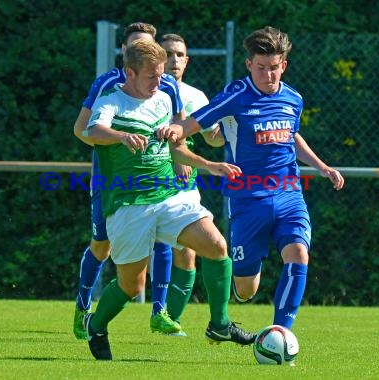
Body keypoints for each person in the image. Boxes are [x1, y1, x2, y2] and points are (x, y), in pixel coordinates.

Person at [157, 26, 345, 338]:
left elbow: (291, 136)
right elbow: (197, 121)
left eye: (274, 68)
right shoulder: (235, 95)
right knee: (246, 289)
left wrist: (322, 166)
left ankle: (280, 335)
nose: (268, 75)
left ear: (283, 65)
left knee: (299, 254)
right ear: (249, 65)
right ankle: (232, 298)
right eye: (261, 68)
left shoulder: (293, 98)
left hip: (288, 192)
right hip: (246, 198)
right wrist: (176, 132)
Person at [81, 39, 256, 360]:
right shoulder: (112, 100)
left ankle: (220, 324)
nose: (158, 82)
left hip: (170, 197)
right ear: (130, 73)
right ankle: (97, 324)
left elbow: (177, 147)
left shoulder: (163, 99)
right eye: (151, 76)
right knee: (131, 286)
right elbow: (92, 130)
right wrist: (121, 136)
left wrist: (209, 165)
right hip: (129, 205)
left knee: (217, 247)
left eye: (161, 75)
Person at [72, 22, 185, 339]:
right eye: (135, 46)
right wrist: (118, 143)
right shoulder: (108, 85)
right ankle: (83, 307)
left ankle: (159, 311)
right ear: (125, 53)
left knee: (163, 236)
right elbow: (82, 131)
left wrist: (178, 157)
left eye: (148, 45)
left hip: (154, 181)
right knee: (101, 246)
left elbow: (175, 131)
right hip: (111, 184)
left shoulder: (166, 88)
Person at [158, 33, 224, 336]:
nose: (174, 59)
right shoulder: (144, 92)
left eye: (179, 54)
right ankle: (90, 312)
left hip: (184, 189)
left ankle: (168, 320)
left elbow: (212, 137)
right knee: (129, 262)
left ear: (187, 60)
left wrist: (231, 128)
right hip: (144, 188)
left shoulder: (196, 96)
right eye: (168, 53)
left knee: (188, 252)